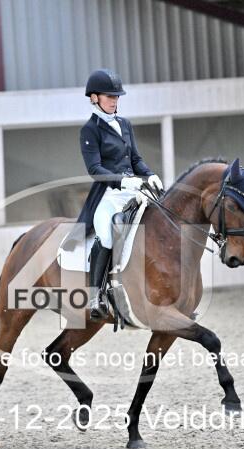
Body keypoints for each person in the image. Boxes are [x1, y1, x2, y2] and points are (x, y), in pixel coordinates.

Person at [71, 68, 163, 319]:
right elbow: (94, 169)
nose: (114, 100)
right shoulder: (90, 130)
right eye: (109, 96)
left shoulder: (125, 124)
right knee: (107, 236)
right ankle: (95, 297)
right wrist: (122, 180)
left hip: (135, 190)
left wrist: (149, 174)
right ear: (94, 98)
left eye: (116, 96)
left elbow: (135, 159)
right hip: (108, 195)